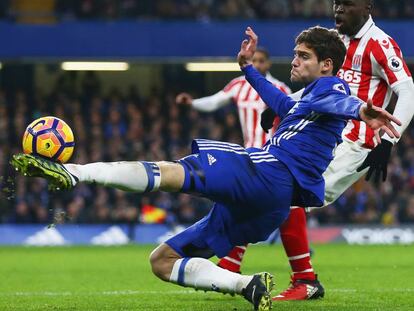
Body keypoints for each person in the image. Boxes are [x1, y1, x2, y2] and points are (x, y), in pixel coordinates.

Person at [11, 26, 400, 311]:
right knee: (161, 261)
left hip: (266, 171)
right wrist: (248, 70)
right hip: (273, 204)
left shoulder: (334, 89)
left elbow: (344, 105)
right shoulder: (310, 97)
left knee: (169, 173)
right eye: (295, 54)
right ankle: (247, 285)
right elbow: (283, 108)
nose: (294, 61)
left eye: (302, 56)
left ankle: (77, 173)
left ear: (326, 64)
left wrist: (364, 112)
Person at [245, 0, 414, 301]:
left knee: (286, 193)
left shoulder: (380, 44)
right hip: (324, 136)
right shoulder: (338, 45)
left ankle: (305, 281)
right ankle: (262, 272)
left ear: (367, 7)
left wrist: (390, 140)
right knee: (278, 191)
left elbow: (407, 91)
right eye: (336, 4)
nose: (338, 10)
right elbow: (319, 91)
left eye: (347, 5)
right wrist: (283, 107)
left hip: (354, 141)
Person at [176, 46, 291, 272]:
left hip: (275, 156)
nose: (256, 64)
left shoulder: (281, 89)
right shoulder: (239, 85)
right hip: (250, 154)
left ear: (268, 64)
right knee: (246, 204)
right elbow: (214, 101)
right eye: (253, 60)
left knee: (254, 205)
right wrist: (192, 103)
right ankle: (232, 261)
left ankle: (233, 260)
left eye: (260, 61)